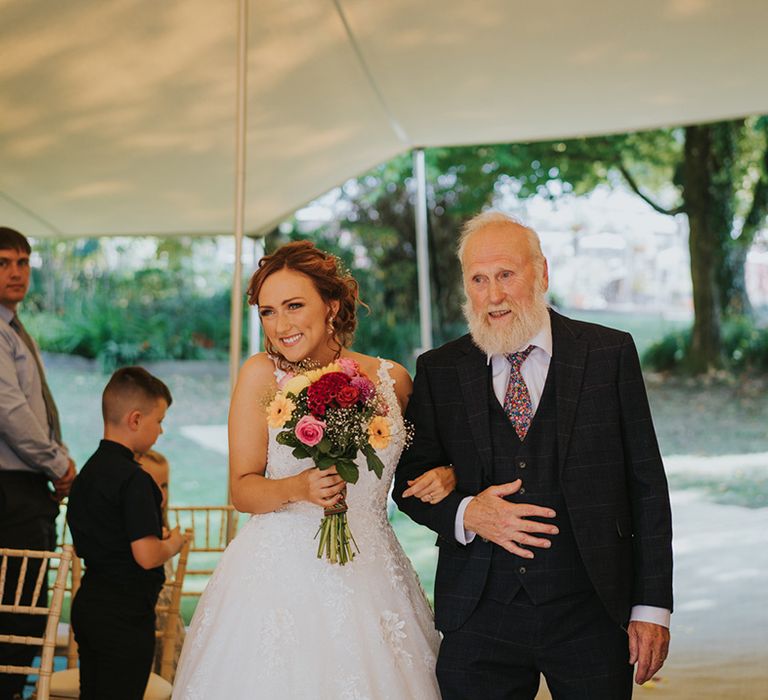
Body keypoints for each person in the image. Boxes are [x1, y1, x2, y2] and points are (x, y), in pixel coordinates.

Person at [394, 211, 673, 700]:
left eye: (506, 275)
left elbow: (646, 485)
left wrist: (650, 607)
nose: (493, 295)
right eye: (478, 280)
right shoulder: (439, 370)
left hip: (591, 608)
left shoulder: (609, 353)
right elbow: (410, 485)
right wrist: (467, 511)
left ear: (542, 272)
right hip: (478, 614)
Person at [172, 240, 454, 699]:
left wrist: (451, 474)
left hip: (373, 573)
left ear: (332, 306)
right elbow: (242, 491)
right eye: (267, 312)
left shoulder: (393, 380)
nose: (280, 325)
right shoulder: (261, 374)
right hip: (278, 578)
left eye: (294, 306)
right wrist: (299, 487)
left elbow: (428, 465)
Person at [67, 367, 185, 700]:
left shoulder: (87, 474)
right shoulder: (135, 480)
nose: (160, 430)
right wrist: (172, 544)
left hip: (89, 604)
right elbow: (146, 556)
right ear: (135, 419)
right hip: (124, 614)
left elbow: (81, 544)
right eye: (159, 421)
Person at [0, 226, 76, 699]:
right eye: (4, 262)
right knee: (18, 611)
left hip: (23, 488)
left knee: (23, 607)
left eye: (23, 262)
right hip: (10, 491)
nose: (16, 272)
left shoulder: (12, 324)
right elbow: (9, 410)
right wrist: (59, 465)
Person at [135, 448, 186, 681]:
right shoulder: (144, 535)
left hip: (167, 626)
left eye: (164, 486)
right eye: (153, 485)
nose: (161, 494)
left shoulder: (163, 527)